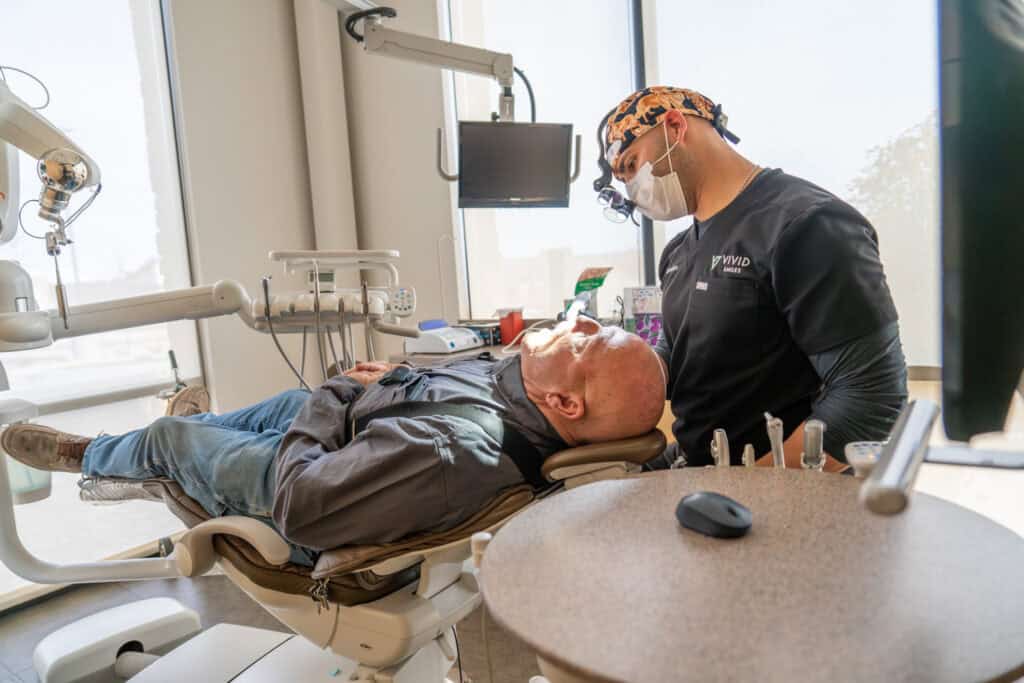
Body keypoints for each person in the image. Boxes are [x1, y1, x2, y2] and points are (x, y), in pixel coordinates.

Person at [2, 318, 665, 564]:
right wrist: (397, 378)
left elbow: (304, 504)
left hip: (303, 485)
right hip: (355, 427)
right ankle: (172, 434)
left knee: (175, 438)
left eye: (585, 340)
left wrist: (335, 393)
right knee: (290, 401)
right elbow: (437, 398)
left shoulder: (451, 452)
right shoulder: (515, 385)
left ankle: (91, 454)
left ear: (565, 403)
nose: (576, 320)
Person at [597, 86, 908, 471]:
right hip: (699, 471)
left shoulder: (806, 225)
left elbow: (870, 400)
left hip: (776, 493)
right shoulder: (678, 253)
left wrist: (741, 489)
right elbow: (677, 356)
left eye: (631, 165)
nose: (632, 189)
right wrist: (607, 361)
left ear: (675, 127)